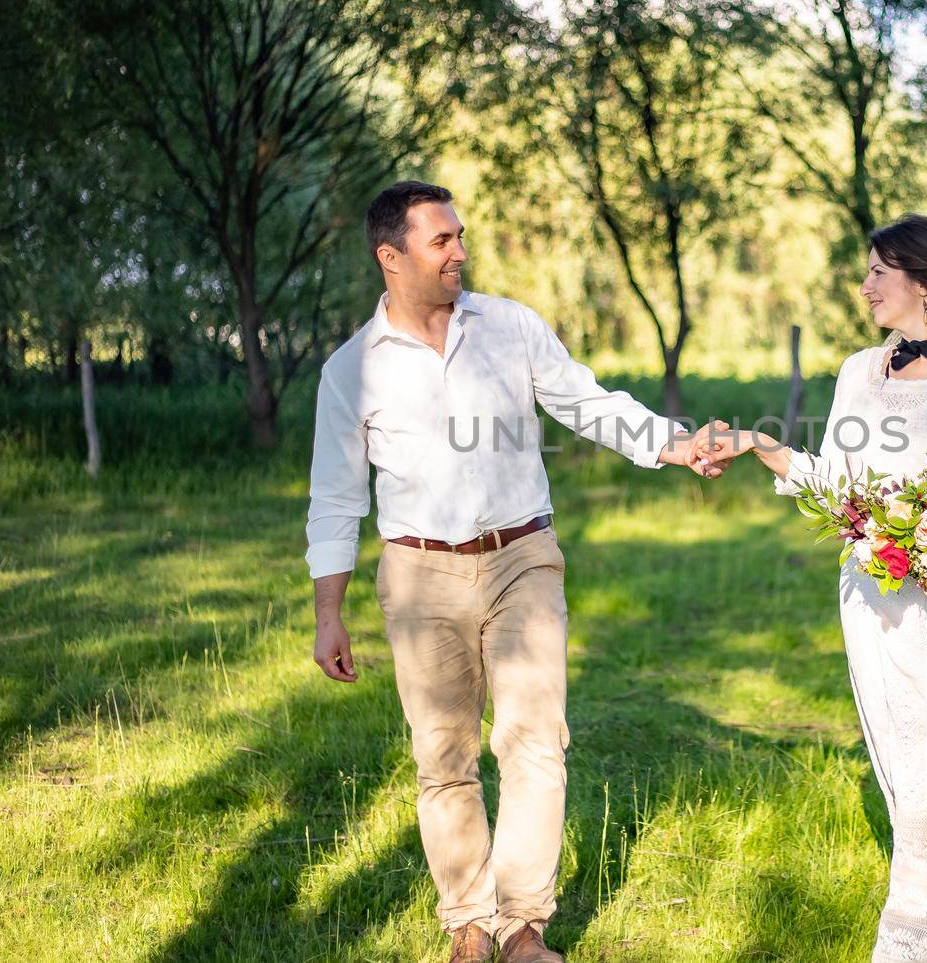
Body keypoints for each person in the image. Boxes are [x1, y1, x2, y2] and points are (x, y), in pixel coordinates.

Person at [305, 180, 725, 963]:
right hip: (418, 571)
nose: (461, 251)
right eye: (442, 241)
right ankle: (469, 922)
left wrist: (672, 443)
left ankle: (524, 928)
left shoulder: (509, 327)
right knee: (443, 754)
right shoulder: (351, 369)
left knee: (534, 738)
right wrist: (329, 612)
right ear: (390, 257)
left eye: (460, 235)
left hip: (522, 556)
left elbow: (587, 403)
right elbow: (334, 496)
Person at [702, 214, 927, 963]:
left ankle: (925, 946)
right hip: (872, 600)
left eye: (876, 273)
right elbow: (837, 481)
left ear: (923, 282)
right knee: (908, 776)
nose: (864, 288)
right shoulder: (860, 372)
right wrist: (761, 445)